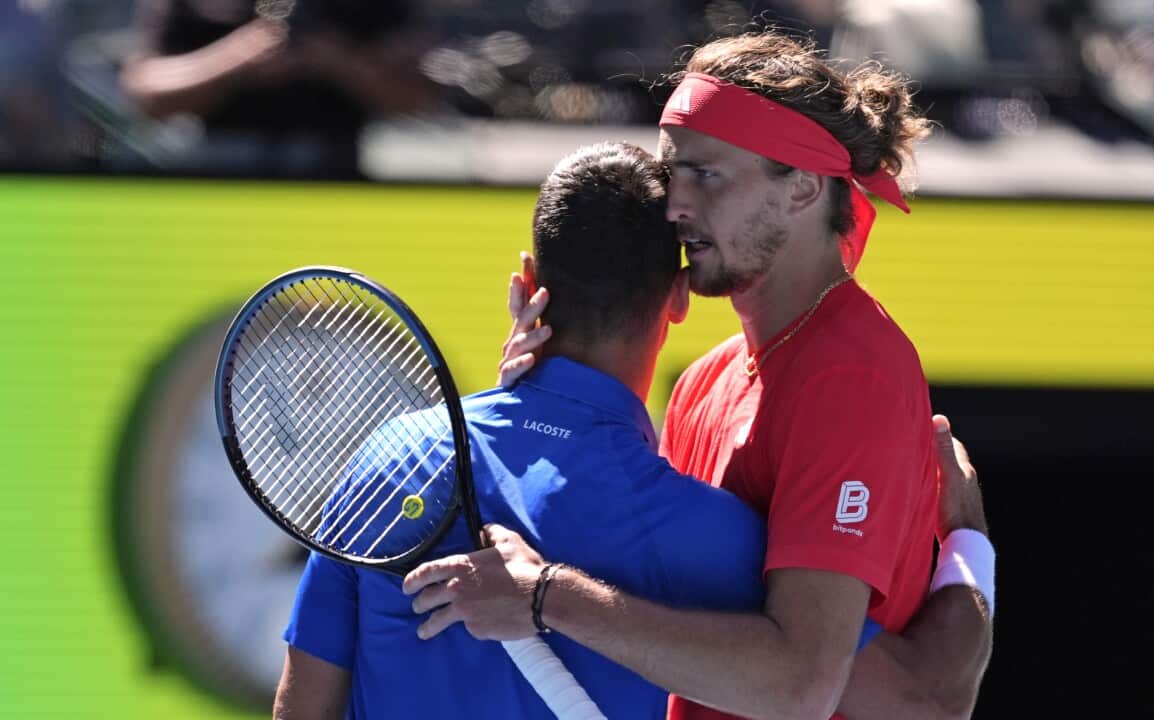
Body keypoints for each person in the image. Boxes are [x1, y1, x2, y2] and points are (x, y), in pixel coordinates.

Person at [405, 30, 994, 720]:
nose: (674, 204)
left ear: (803, 189)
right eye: (672, 169)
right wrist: (539, 403)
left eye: (706, 174)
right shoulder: (703, 380)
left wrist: (545, 597)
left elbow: (800, 686)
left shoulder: (853, 372)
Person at [276, 141, 889, 719]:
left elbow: (301, 708)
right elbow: (921, 698)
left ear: (527, 284)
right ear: (678, 296)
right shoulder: (714, 536)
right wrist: (968, 542)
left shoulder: (390, 458)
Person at [120, 0, 428, 178]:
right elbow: (146, 95)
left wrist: (334, 60)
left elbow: (416, 97)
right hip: (219, 183)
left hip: (332, 183)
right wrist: (239, 57)